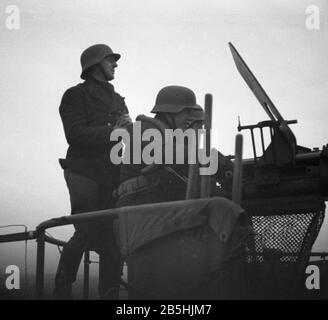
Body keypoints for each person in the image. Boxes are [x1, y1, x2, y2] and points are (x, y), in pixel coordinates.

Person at [54, 44, 132, 299]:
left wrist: (128, 130)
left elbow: (127, 134)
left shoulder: (118, 99)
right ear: (96, 63)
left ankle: (109, 296)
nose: (116, 64)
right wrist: (115, 130)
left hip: (111, 175)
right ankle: (61, 291)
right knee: (85, 231)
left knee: (112, 245)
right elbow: (75, 134)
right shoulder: (75, 95)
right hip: (83, 170)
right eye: (111, 60)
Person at [116, 85, 204, 208]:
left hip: (152, 203)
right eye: (187, 111)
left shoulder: (169, 135)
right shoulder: (143, 128)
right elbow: (163, 152)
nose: (191, 117)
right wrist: (205, 155)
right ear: (170, 111)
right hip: (138, 205)